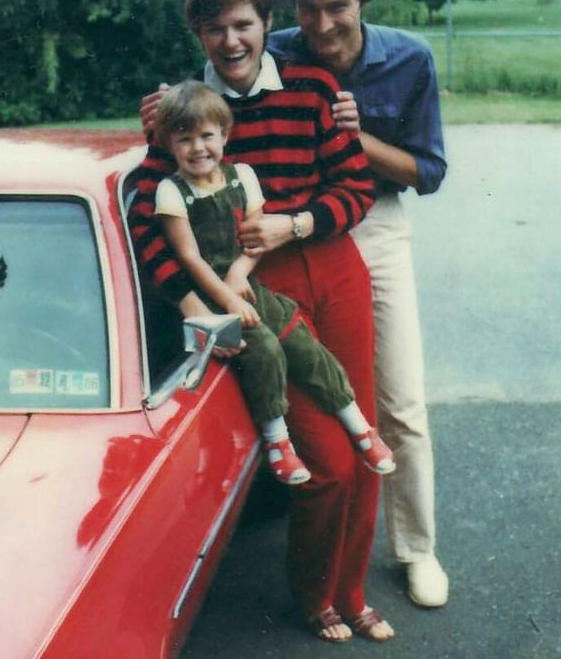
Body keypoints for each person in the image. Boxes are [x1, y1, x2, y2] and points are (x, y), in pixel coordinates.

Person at [129, 0, 394, 642]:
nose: (231, 41)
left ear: (267, 24)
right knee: (327, 462)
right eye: (214, 29)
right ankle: (316, 596)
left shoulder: (311, 88)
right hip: (256, 292)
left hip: (333, 271)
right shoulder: (185, 110)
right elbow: (148, 220)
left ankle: (354, 593)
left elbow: (356, 188)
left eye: (243, 24)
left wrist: (295, 221)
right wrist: (192, 301)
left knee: (365, 442)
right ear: (199, 36)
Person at [266, 0, 449, 608]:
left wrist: (357, 138)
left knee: (400, 401)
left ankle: (417, 551)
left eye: (337, 6)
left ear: (362, 0)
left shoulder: (409, 59)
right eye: (309, 7)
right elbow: (211, 111)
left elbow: (427, 172)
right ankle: (313, 543)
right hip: (293, 228)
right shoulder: (272, 49)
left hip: (373, 222)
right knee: (304, 395)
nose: (322, 24)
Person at [154, 79, 396, 485]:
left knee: (301, 340)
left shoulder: (242, 176)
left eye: (207, 136)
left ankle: (360, 427)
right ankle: (277, 441)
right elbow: (189, 257)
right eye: (184, 139)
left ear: (224, 136)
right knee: (264, 348)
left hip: (243, 284)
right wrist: (227, 297)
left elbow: (256, 236)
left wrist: (239, 275)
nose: (198, 148)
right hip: (211, 298)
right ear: (169, 143)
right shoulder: (171, 191)